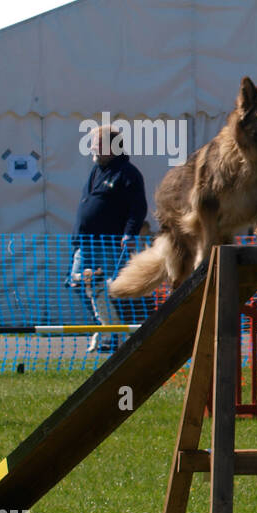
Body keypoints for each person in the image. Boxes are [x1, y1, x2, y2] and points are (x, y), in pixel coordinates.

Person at [71, 123, 149, 353]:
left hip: (110, 244)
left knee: (110, 290)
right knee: (77, 284)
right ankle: (106, 328)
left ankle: (117, 335)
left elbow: (138, 209)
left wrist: (129, 234)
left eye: (96, 143)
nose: (92, 148)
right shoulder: (97, 170)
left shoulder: (128, 174)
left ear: (111, 147)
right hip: (85, 244)